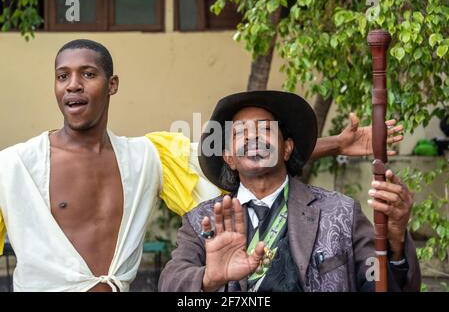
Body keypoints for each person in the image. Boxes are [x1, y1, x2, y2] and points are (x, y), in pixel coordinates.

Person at [0, 39, 404, 292]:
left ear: (112, 84)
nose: (73, 84)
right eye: (62, 76)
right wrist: (208, 279)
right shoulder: (12, 167)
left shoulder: (148, 158)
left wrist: (336, 144)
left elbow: (250, 157)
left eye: (87, 73)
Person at [158, 90, 421, 292]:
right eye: (240, 132)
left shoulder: (340, 212)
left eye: (264, 128)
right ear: (229, 157)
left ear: (286, 148)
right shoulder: (201, 221)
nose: (253, 137)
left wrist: (395, 239)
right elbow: (170, 282)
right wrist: (207, 279)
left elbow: (379, 283)